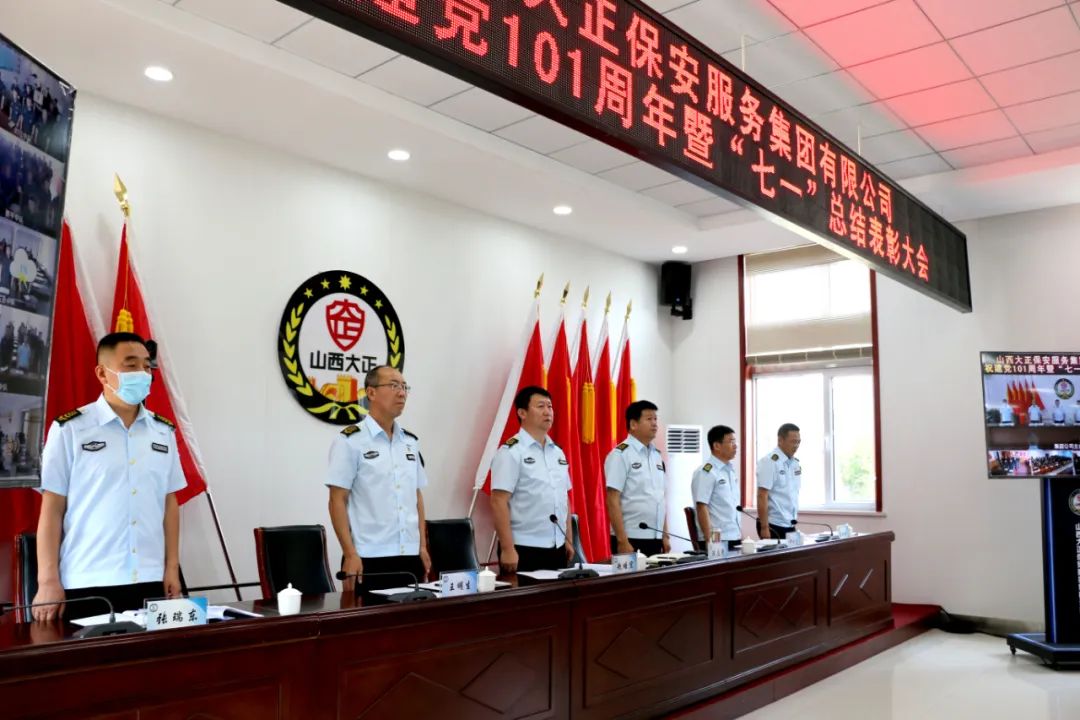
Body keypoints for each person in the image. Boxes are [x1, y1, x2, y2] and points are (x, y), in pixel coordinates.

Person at [33, 332, 185, 620]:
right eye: (131, 365)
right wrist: (47, 580)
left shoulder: (163, 432)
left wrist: (171, 568)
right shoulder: (71, 429)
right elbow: (52, 509)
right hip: (89, 580)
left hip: (152, 578)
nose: (142, 373)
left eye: (147, 366)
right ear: (103, 373)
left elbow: (170, 503)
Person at [326, 365, 430, 593]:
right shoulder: (350, 441)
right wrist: (350, 554)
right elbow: (337, 500)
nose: (401, 392)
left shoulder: (410, 442)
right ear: (371, 393)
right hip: (368, 558)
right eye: (393, 385)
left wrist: (422, 546)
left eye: (404, 386)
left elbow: (416, 496)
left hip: (410, 557)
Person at [490, 386, 574, 573]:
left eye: (550, 406)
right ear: (522, 413)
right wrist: (507, 548)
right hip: (523, 548)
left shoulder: (557, 452)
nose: (547, 412)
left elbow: (563, 497)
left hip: (557, 546)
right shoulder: (511, 452)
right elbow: (498, 501)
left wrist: (568, 538)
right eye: (540, 406)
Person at [605, 400, 669, 556]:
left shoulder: (656, 455)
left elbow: (660, 498)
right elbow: (612, 499)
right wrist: (622, 540)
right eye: (649, 419)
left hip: (655, 536)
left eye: (655, 419)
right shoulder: (620, 455)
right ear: (633, 424)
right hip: (631, 537)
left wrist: (665, 535)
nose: (654, 423)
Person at [691, 425, 741, 551]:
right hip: (716, 539)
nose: (735, 446)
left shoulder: (730, 470)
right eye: (731, 442)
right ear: (717, 446)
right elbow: (702, 506)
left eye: (735, 442)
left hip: (733, 535)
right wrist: (710, 541)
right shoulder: (706, 472)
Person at [756, 423, 802, 540]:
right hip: (773, 524)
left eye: (798, 442)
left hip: (789, 523)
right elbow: (762, 495)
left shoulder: (795, 464)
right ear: (780, 440)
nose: (796, 445)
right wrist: (764, 527)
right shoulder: (769, 462)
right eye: (793, 441)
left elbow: (792, 494)